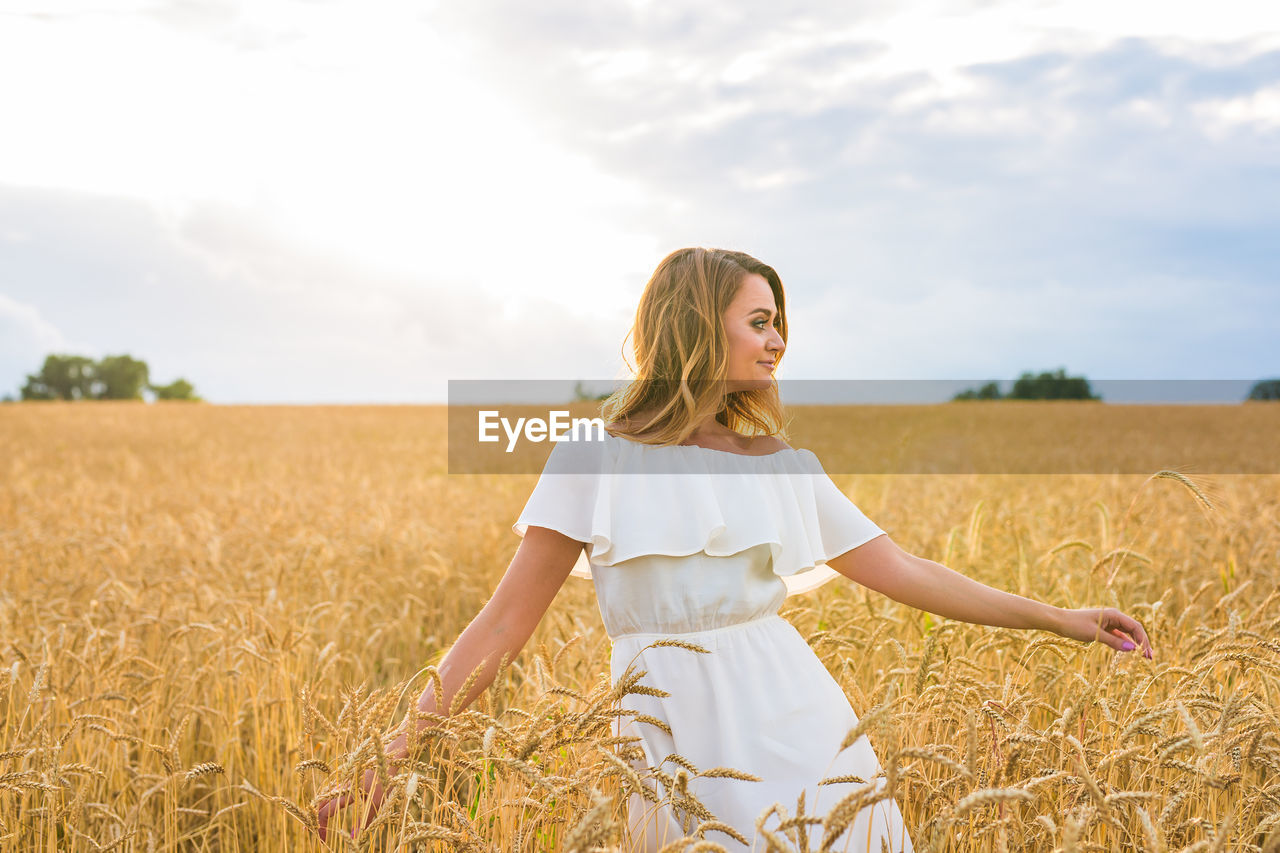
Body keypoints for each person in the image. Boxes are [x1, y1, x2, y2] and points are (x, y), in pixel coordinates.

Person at [316, 247, 1155, 849]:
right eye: (759, 320)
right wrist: (387, 759)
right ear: (693, 323)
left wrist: (1061, 618)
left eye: (781, 323)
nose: (778, 339)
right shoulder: (593, 456)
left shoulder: (782, 465)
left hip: (799, 716)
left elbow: (905, 571)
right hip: (668, 725)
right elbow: (501, 627)